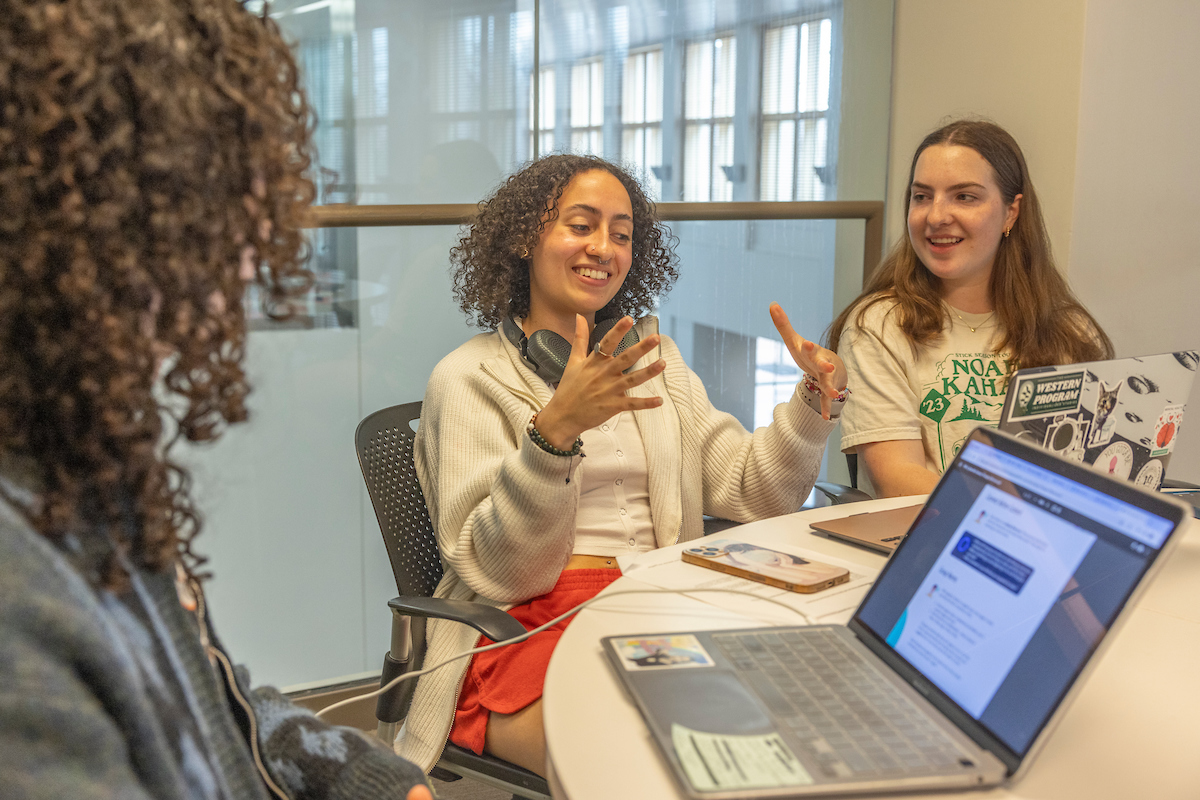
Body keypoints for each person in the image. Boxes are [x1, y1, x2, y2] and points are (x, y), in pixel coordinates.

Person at [0, 2, 431, 798]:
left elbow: (199, 701)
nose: (251, 255)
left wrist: (367, 776)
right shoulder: (18, 587)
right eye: (228, 198)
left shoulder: (71, 459)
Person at [405, 154, 850, 776]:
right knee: (641, 764)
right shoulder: (467, 377)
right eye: (580, 225)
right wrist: (554, 433)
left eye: (621, 233)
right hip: (524, 629)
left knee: (792, 731)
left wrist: (811, 402)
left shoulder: (654, 361)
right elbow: (501, 573)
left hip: (658, 599)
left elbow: (751, 489)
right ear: (525, 237)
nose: (603, 248)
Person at [827, 120, 1113, 497]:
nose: (936, 216)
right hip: (925, 542)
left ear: (1012, 212)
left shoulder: (1070, 331)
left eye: (964, 196)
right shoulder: (879, 326)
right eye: (922, 196)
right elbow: (898, 479)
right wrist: (1022, 514)